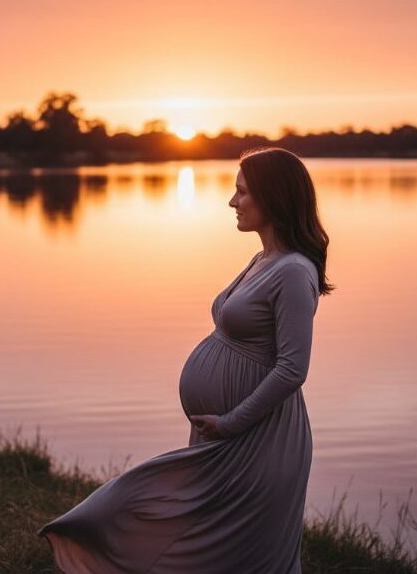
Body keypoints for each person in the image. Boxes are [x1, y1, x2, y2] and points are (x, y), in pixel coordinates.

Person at [37, 146, 334, 573]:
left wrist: (230, 422)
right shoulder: (262, 259)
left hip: (258, 439)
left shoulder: (292, 272)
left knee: (244, 555)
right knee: (167, 521)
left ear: (275, 197)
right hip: (225, 434)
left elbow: (292, 369)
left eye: (243, 192)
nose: (232, 202)